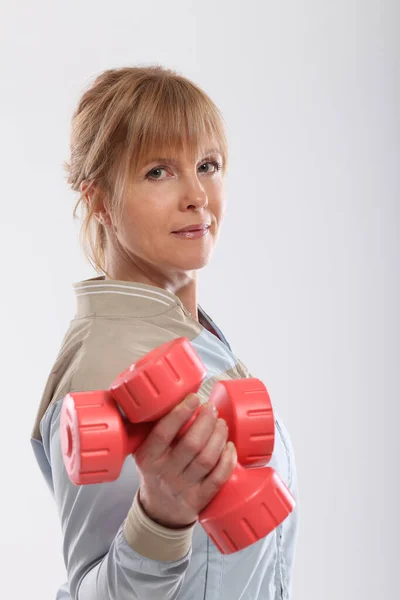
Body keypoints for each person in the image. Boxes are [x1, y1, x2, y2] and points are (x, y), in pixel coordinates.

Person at [30, 65, 299, 600]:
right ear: (101, 199)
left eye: (207, 165)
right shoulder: (104, 372)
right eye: (158, 172)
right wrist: (161, 516)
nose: (197, 194)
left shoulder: (194, 337)